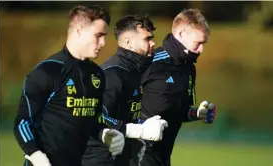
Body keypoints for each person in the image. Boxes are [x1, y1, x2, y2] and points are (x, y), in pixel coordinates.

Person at [13, 5, 125, 166]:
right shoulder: (48, 71)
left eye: (104, 36)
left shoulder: (97, 75)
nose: (103, 42)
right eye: (98, 35)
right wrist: (35, 154)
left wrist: (104, 133)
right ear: (79, 30)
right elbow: (22, 122)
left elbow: (91, 118)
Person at [82, 15, 168, 166]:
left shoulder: (135, 70)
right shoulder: (111, 74)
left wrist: (139, 134)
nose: (153, 43)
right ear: (129, 42)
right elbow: (96, 115)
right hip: (99, 159)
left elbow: (123, 114)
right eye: (147, 39)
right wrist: (138, 131)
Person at [139, 9, 217, 166]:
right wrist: (141, 127)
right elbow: (119, 106)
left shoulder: (188, 68)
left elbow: (177, 112)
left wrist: (196, 114)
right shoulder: (150, 63)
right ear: (181, 34)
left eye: (204, 44)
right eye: (198, 43)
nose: (201, 50)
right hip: (138, 156)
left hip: (164, 158)